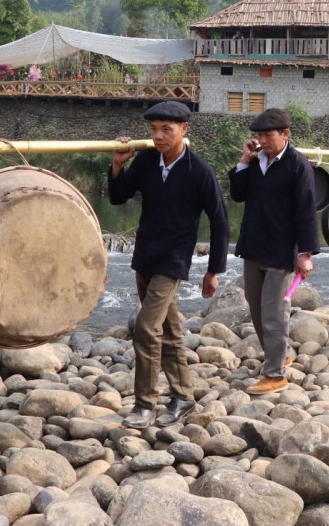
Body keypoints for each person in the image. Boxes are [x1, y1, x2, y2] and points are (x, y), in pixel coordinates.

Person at [109, 101, 229, 427]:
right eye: (154, 130)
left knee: (146, 329)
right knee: (170, 331)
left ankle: (145, 404)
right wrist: (119, 166)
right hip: (146, 253)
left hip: (174, 259)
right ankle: (183, 396)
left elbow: (219, 221)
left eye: (167, 129)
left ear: (184, 130)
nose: (158, 136)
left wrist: (214, 270)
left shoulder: (198, 171)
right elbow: (119, 197)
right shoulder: (148, 160)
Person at [230, 108, 318, 394]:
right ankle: (281, 353)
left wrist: (305, 253)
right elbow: (238, 193)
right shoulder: (256, 161)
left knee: (274, 312)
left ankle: (275, 374)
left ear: (285, 134)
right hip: (254, 245)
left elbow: (306, 211)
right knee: (255, 308)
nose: (263, 141)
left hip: (282, 250)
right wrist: (244, 161)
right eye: (258, 136)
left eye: (268, 136)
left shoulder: (297, 165)